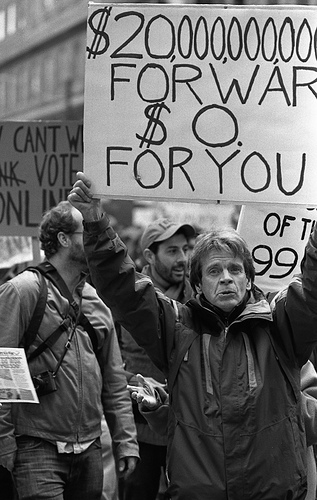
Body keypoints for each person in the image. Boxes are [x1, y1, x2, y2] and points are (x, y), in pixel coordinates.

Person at [69, 172, 317, 500]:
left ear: (248, 279)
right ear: (198, 284)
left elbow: (313, 288)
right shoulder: (177, 327)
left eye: (235, 269)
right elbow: (124, 289)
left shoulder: (280, 324)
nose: (226, 278)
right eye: (214, 271)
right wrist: (95, 223)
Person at [0, 200, 139, 500]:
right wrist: (4, 442)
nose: (95, 239)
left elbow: (114, 379)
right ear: (63, 239)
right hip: (36, 447)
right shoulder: (23, 291)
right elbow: (2, 371)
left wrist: (125, 440)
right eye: (86, 231)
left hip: (90, 450)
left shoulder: (97, 303)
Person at [116, 217, 195, 500]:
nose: (183, 259)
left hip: (187, 433)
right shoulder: (126, 301)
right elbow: (107, 364)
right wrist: (138, 385)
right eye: (172, 251)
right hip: (139, 434)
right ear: (149, 255)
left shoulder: (201, 300)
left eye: (185, 249)